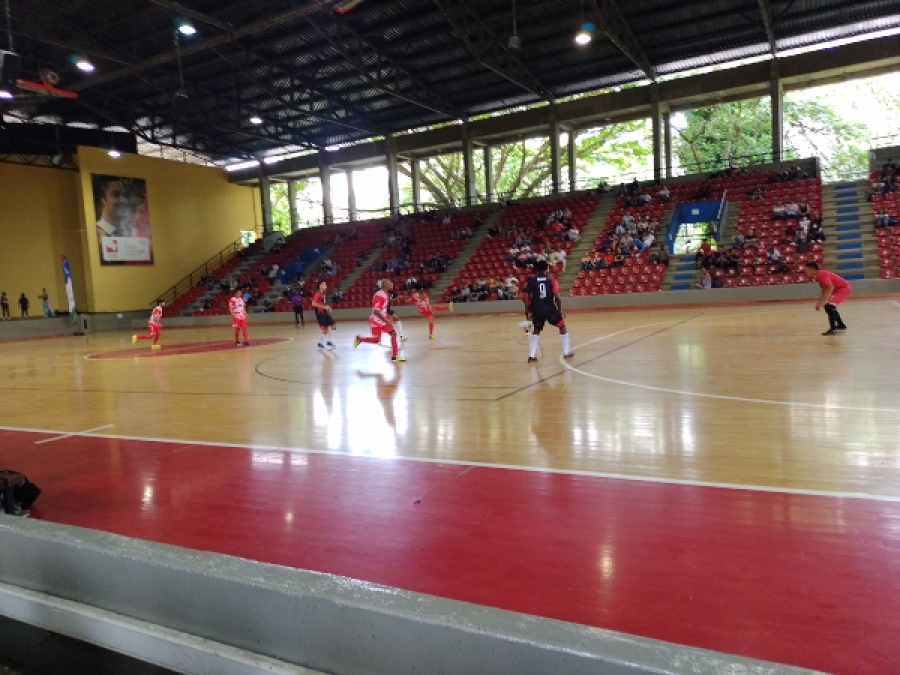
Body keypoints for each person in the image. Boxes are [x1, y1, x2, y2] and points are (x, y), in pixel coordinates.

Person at [521, 260, 574, 363]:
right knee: (562, 326)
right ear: (547, 268)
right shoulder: (551, 280)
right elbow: (556, 296)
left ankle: (531, 356)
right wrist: (559, 310)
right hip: (550, 309)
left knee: (536, 331)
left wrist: (528, 310)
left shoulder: (532, 281)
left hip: (537, 310)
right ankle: (566, 352)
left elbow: (525, 295)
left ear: (536, 269)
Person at [354, 279, 405, 363]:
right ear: (385, 285)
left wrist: (388, 316)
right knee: (383, 337)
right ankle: (360, 339)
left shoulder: (385, 294)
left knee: (385, 337)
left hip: (379, 320)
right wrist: (386, 321)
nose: (392, 285)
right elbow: (376, 311)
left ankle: (360, 339)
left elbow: (383, 309)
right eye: (390, 284)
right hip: (377, 321)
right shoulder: (380, 296)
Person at [804, 262, 850, 336]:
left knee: (829, 306)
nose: (805, 272)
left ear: (812, 269)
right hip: (838, 289)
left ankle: (833, 329)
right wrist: (819, 302)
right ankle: (841, 325)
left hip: (843, 289)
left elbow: (830, 287)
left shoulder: (821, 274)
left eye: (806, 270)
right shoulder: (819, 276)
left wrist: (825, 301)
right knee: (830, 306)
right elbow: (824, 290)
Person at [311, 281, 336, 349]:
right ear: (320, 286)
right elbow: (313, 303)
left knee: (333, 326)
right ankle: (320, 343)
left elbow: (322, 303)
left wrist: (328, 307)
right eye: (324, 284)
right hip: (320, 313)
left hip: (324, 311)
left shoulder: (323, 294)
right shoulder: (317, 294)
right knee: (325, 330)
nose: (326, 285)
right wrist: (324, 307)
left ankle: (329, 341)